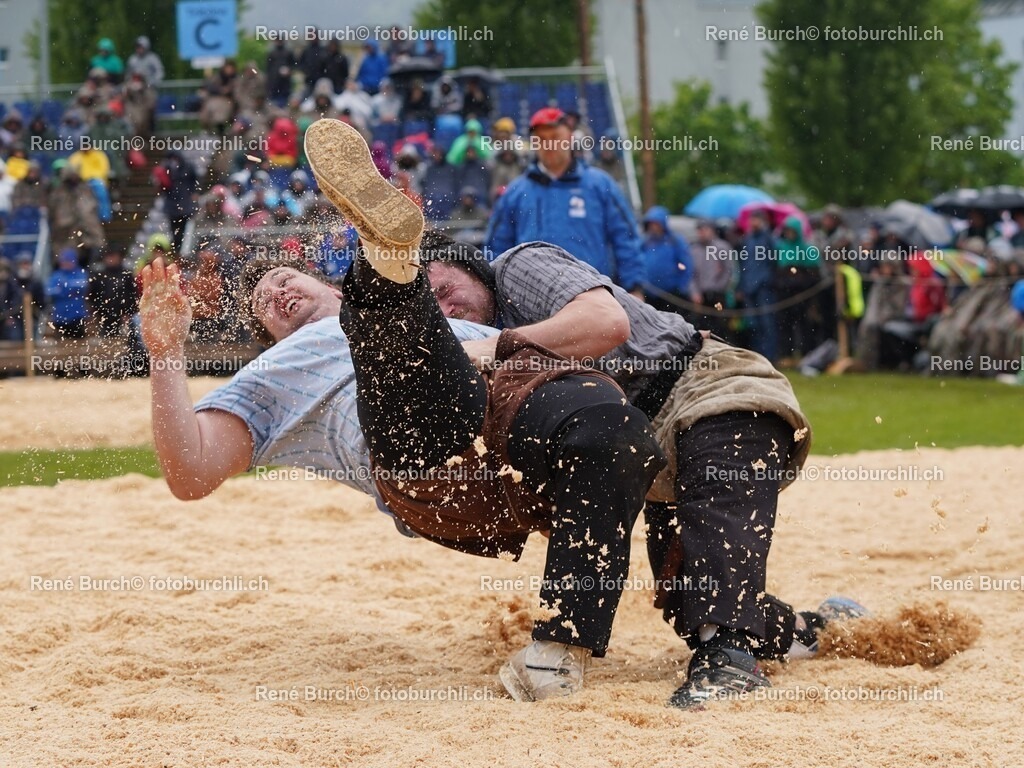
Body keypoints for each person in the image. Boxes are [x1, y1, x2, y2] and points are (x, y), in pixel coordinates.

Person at [138, 117, 668, 703]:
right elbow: (189, 474)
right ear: (270, 337)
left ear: (327, 284)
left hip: (506, 393)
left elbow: (596, 331)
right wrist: (166, 354)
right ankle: (388, 258)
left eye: (285, 278)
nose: (277, 293)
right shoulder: (277, 370)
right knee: (395, 340)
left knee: (614, 428)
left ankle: (564, 648)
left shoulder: (461, 318)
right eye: (265, 305)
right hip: (423, 462)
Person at [424, 236, 866, 708]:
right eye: (437, 310)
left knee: (716, 557)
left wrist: (494, 348)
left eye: (448, 289)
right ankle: (817, 630)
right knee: (687, 598)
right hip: (643, 444)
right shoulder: (463, 360)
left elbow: (605, 323)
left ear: (470, 267)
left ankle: (732, 667)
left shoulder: (516, 266)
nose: (451, 309)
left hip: (707, 383)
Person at [486, 107, 645, 296]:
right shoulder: (516, 192)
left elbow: (626, 239)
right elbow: (496, 247)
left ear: (569, 137)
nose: (548, 144)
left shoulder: (600, 185)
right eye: (541, 139)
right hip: (530, 303)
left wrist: (634, 287)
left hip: (594, 297)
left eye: (555, 137)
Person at [640, 206, 699, 313]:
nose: (653, 227)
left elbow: (687, 265)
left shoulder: (675, 242)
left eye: (656, 224)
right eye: (651, 224)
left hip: (671, 294)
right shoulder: (645, 242)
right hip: (649, 293)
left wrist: (681, 287)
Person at [737, 209, 779, 363]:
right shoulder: (747, 239)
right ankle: (757, 356)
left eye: (755, 219)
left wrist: (766, 281)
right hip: (749, 288)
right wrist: (740, 287)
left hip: (764, 288)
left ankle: (770, 356)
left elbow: (774, 263)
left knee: (767, 323)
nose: (752, 223)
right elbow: (744, 265)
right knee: (752, 325)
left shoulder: (769, 238)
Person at [89, 248, 137, 338]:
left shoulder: (126, 275)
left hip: (122, 316)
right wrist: (96, 313)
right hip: (104, 316)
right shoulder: (99, 276)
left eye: (113, 256)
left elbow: (132, 295)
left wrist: (129, 313)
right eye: (108, 257)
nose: (111, 259)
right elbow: (93, 295)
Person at [47, 248, 90, 339]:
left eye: (68, 261)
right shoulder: (56, 275)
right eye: (64, 261)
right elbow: (50, 291)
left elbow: (82, 286)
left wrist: (64, 288)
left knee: (78, 344)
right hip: (60, 316)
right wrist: (68, 291)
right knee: (60, 345)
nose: (65, 263)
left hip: (77, 315)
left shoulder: (80, 273)